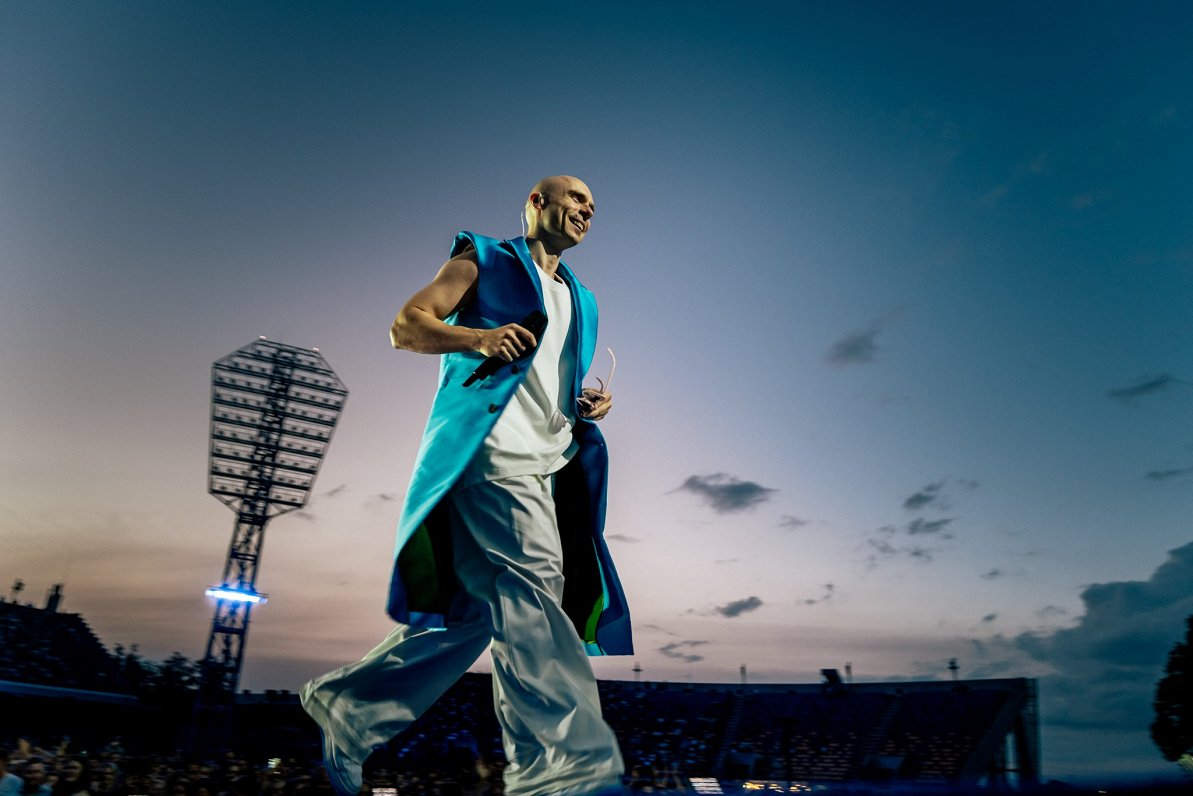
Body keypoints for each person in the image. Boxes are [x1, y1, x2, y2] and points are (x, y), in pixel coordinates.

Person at [301, 176, 632, 796]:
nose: (590, 209)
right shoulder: (480, 258)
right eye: (577, 198)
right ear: (538, 201)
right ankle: (566, 769)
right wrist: (477, 337)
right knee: (537, 591)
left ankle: (349, 709)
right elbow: (406, 325)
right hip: (491, 456)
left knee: (473, 619)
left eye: (594, 205)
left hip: (548, 464)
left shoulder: (582, 298)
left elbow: (547, 385)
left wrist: (584, 406)